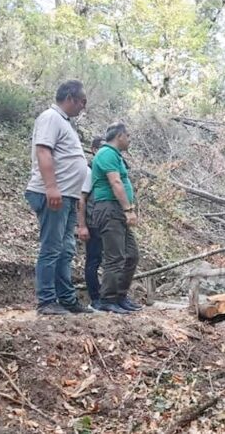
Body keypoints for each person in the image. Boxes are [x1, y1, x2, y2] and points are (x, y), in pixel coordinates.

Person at [25, 80, 93, 315]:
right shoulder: (50, 117)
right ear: (70, 98)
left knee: (65, 250)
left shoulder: (65, 123)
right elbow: (43, 150)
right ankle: (46, 301)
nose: (84, 106)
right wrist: (51, 187)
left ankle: (66, 299)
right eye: (82, 101)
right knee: (52, 248)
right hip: (54, 194)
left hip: (68, 197)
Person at [90, 123, 142, 314]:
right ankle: (107, 299)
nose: (129, 140)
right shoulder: (106, 154)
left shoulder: (116, 156)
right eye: (127, 136)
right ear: (119, 136)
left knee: (131, 254)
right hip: (109, 209)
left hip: (118, 210)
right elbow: (115, 182)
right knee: (115, 256)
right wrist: (128, 209)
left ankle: (120, 296)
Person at [77, 136, 105, 311]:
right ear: (94, 150)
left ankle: (106, 296)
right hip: (93, 223)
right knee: (93, 261)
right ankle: (94, 298)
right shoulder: (89, 171)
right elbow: (81, 199)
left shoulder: (104, 170)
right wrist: (82, 225)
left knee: (104, 260)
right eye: (101, 148)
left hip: (104, 222)